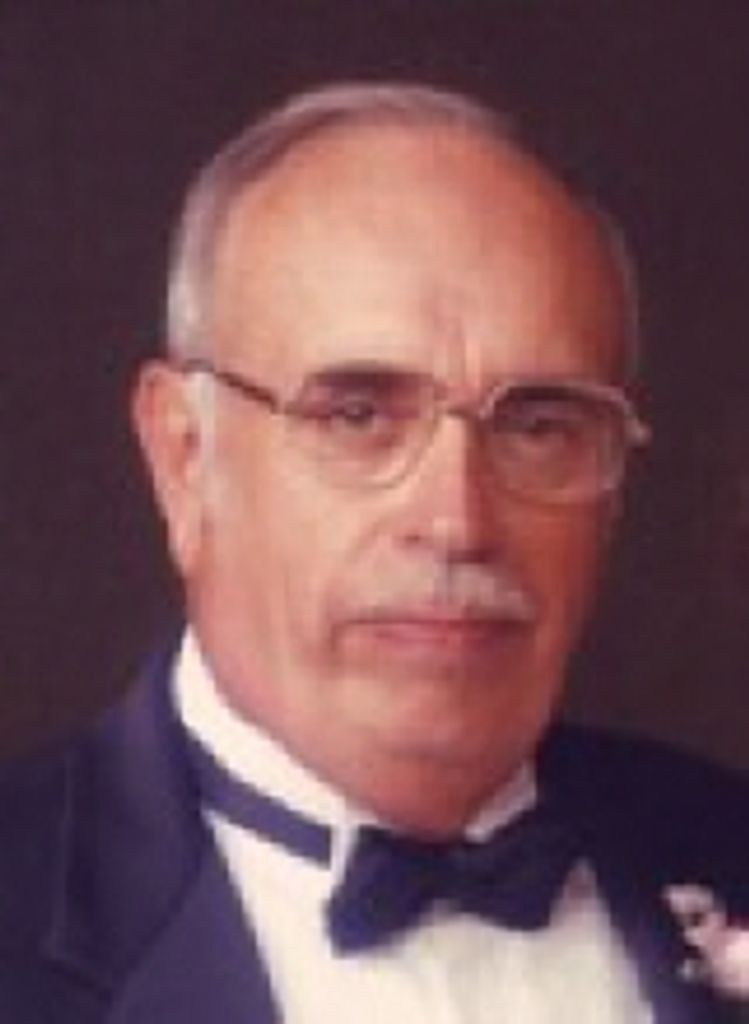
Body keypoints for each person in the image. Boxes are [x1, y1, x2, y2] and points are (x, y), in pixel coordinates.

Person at [1, 81, 748, 1024]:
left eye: (538, 426)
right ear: (184, 459)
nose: (456, 521)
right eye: (355, 414)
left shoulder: (724, 842)